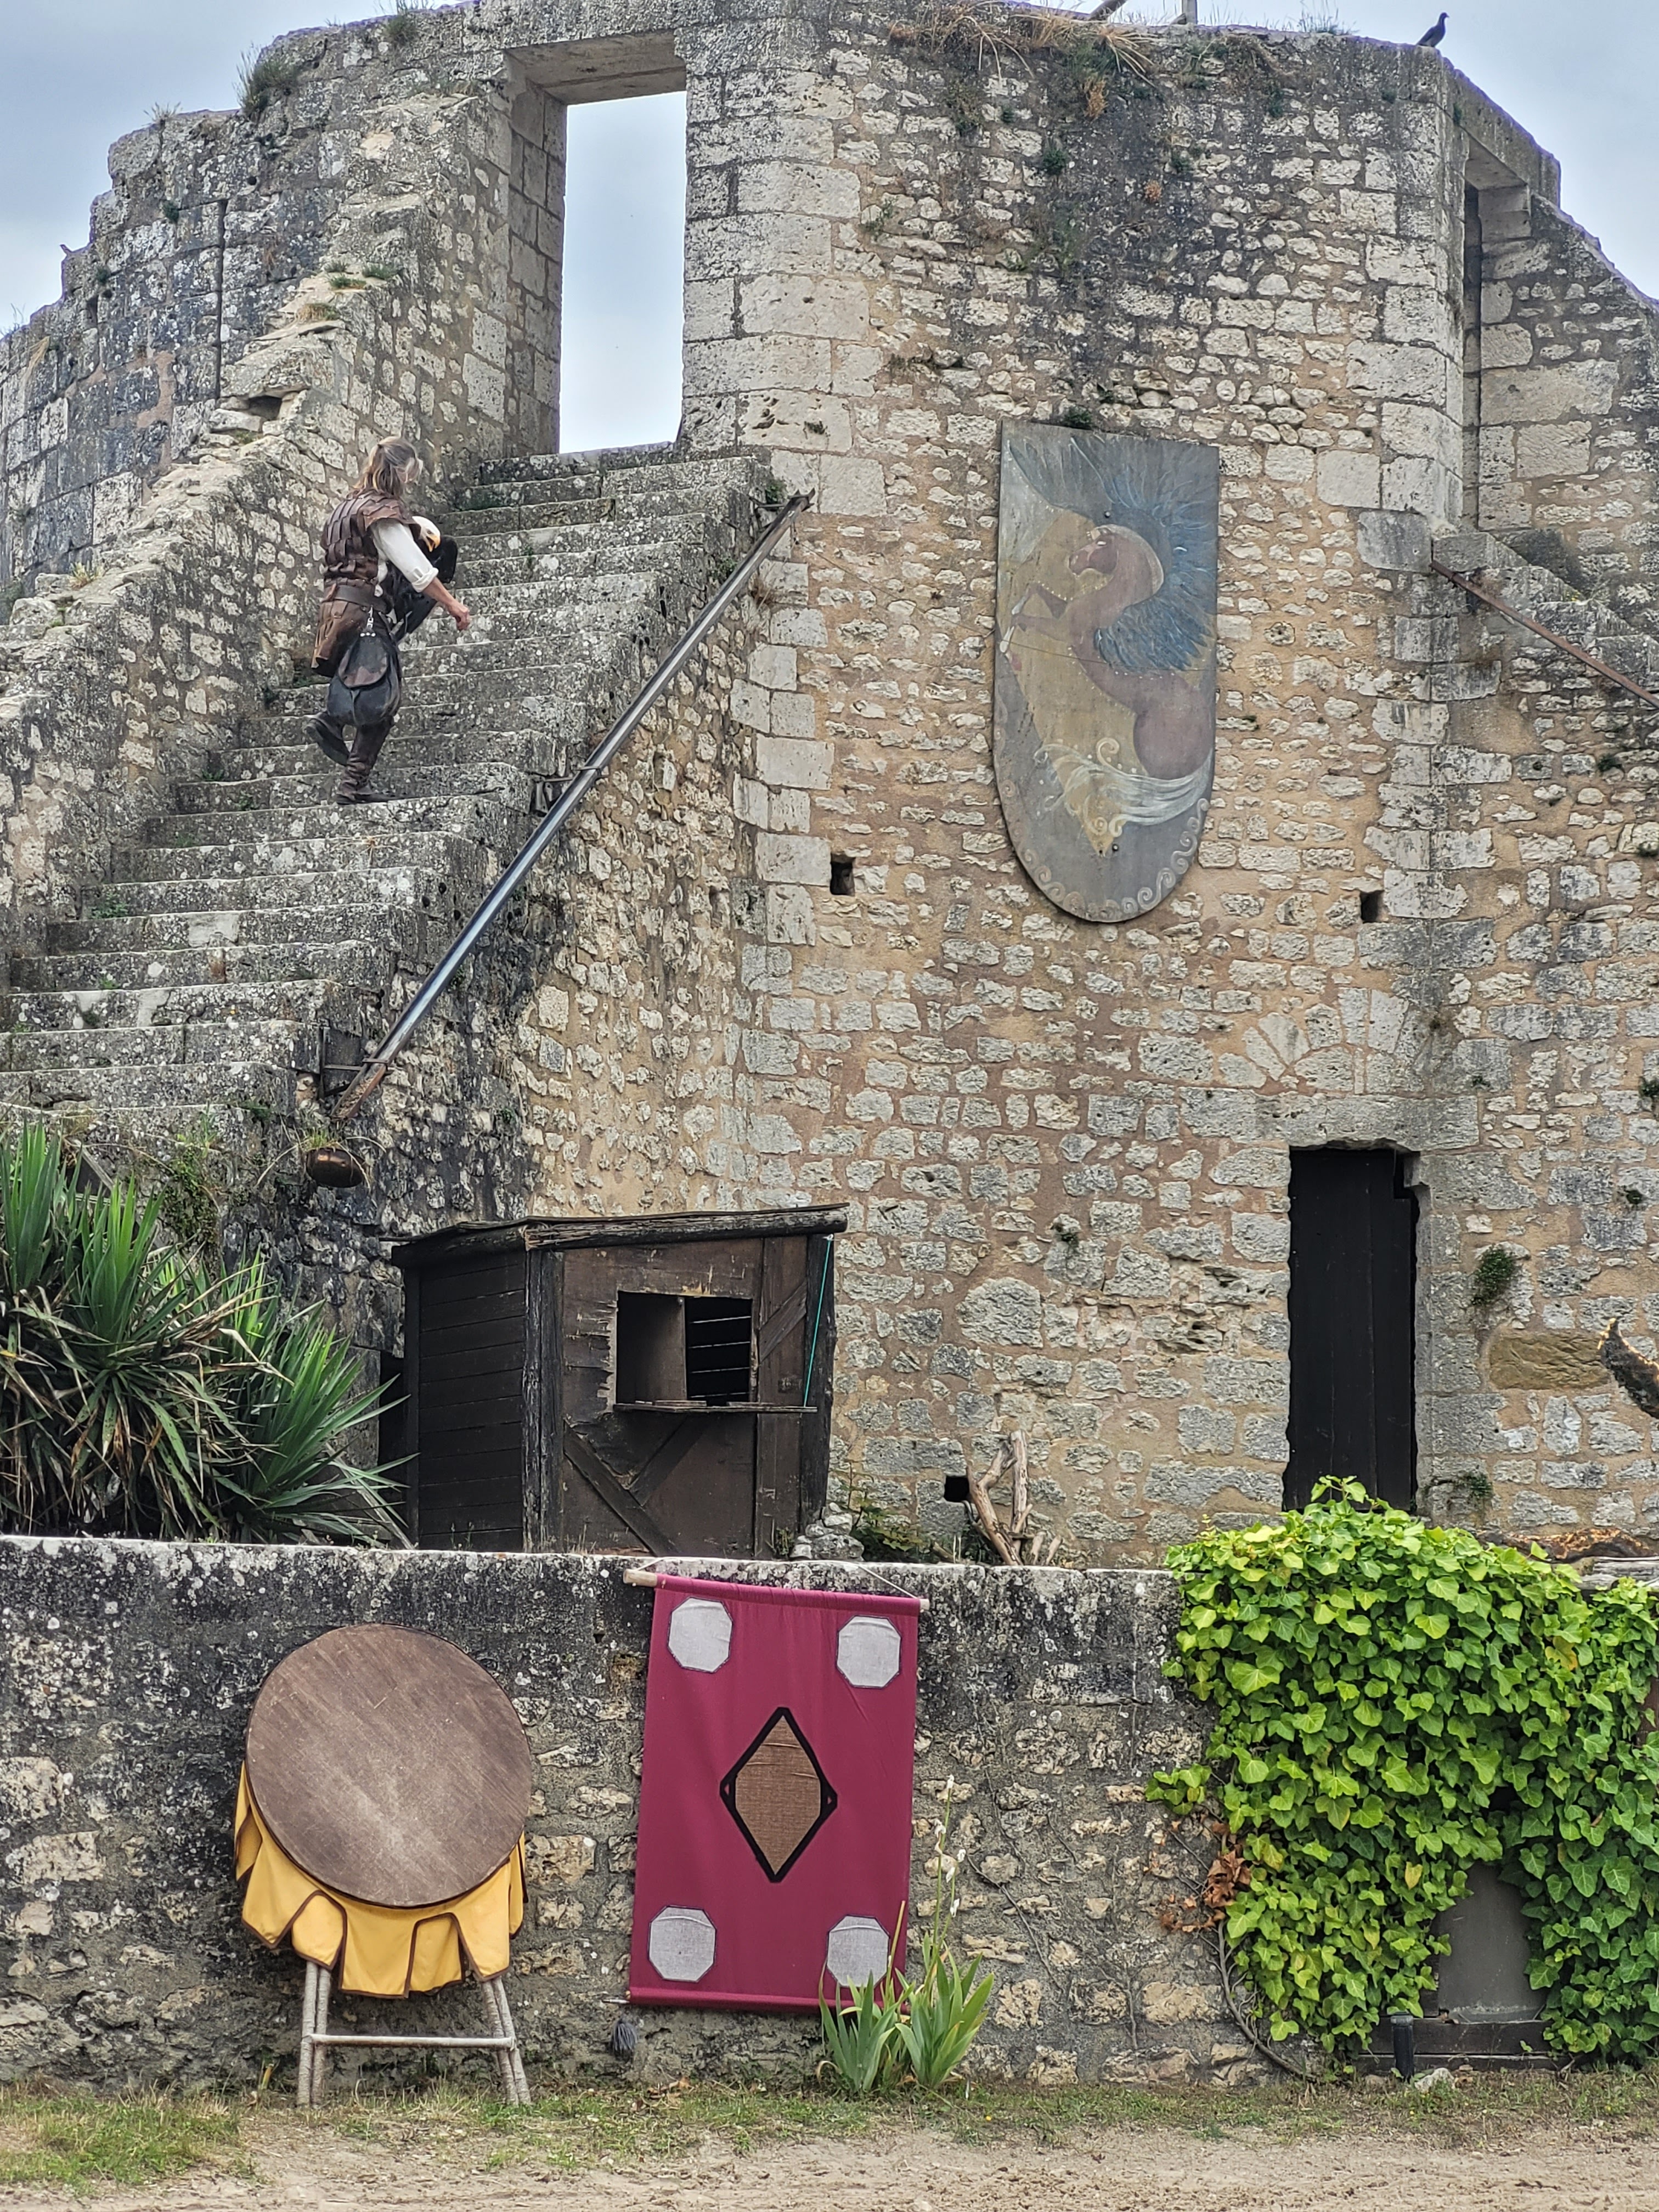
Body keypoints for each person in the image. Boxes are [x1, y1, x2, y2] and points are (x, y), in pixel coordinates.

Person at [307, 439, 471, 803]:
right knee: (384, 696)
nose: (410, 482)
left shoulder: (344, 509)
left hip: (336, 611)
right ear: (399, 472)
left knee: (368, 686)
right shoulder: (382, 511)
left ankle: (332, 724)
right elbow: (418, 572)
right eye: (410, 474)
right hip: (367, 612)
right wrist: (453, 605)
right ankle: (352, 780)